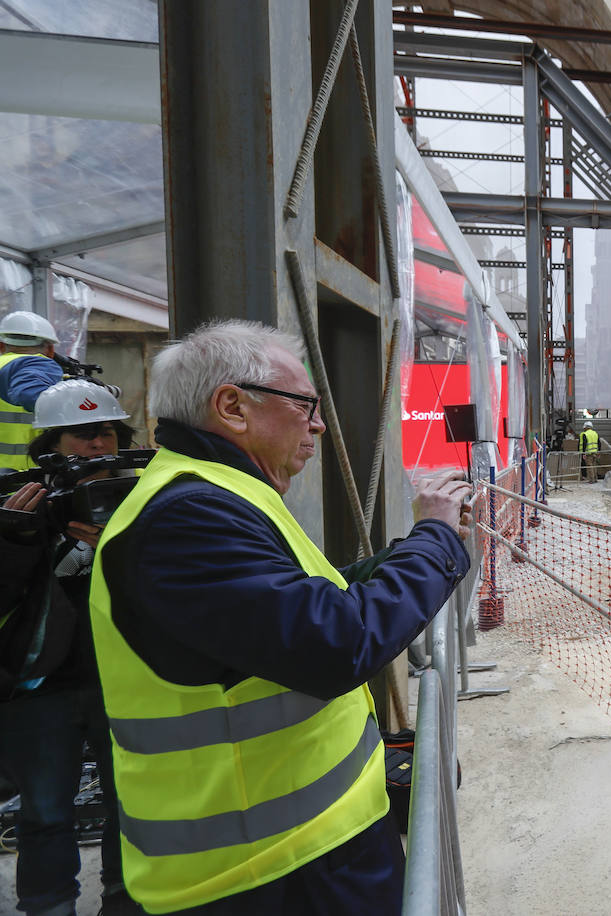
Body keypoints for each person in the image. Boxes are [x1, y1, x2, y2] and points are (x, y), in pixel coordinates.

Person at [89, 320, 474, 915]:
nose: (318, 424)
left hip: (305, 847)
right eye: (305, 405)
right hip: (264, 873)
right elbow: (337, 641)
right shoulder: (188, 519)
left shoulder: (225, 496)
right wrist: (436, 540)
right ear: (232, 407)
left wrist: (411, 550)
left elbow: (321, 599)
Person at [0, 379, 140, 916]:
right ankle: (48, 905)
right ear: (50, 445)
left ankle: (123, 903)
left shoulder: (142, 502)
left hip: (122, 680)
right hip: (40, 687)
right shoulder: (20, 504)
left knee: (129, 809)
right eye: (81, 435)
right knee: (44, 812)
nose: (98, 445)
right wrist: (17, 537)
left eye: (106, 432)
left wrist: (120, 553)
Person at [0, 311, 64, 470]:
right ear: (50, 350)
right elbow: (29, 394)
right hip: (23, 483)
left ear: (1, 346)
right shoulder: (36, 363)